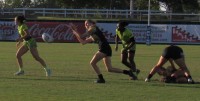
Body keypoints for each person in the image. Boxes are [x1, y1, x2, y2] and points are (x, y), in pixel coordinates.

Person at [70, 19, 137, 83]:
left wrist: (75, 30)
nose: (86, 25)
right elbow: (83, 42)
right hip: (106, 48)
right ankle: (128, 72)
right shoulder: (94, 33)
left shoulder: (93, 28)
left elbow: (82, 36)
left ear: (92, 23)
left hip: (104, 48)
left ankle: (101, 79)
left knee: (92, 63)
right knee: (109, 69)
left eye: (87, 23)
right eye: (85, 24)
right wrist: (75, 33)